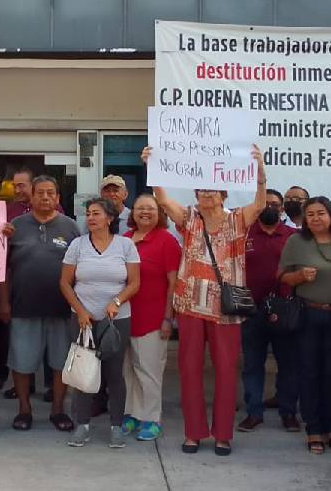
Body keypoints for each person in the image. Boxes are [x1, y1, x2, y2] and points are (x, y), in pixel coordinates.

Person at [145, 144, 267, 456]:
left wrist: (260, 171)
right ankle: (193, 433)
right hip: (189, 305)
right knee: (189, 369)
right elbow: (162, 200)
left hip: (225, 308)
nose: (206, 194)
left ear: (224, 195)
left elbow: (259, 203)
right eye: (201, 190)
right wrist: (152, 167)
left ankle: (223, 435)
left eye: (212, 190)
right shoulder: (189, 218)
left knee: (226, 370)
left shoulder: (237, 220)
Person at [0, 175, 80, 432]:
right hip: (23, 307)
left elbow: (81, 269)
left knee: (60, 362)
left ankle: (58, 410)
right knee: (21, 362)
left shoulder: (71, 227)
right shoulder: (14, 227)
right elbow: (1, 268)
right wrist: (3, 303)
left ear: (58, 197)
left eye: (50, 192)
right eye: (40, 192)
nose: (45, 197)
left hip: (61, 308)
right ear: (31, 197)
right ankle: (24, 410)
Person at [279, 196, 331, 455]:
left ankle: (330, 427)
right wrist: (299, 276)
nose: (315, 218)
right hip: (308, 315)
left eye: (320, 213)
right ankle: (313, 428)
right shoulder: (296, 241)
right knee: (309, 372)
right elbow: (282, 277)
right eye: (310, 214)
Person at [60, 198, 141, 448]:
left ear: (110, 218)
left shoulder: (126, 245)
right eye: (88, 214)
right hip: (83, 319)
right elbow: (65, 282)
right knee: (85, 371)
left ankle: (116, 426)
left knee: (114, 373)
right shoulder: (78, 245)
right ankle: (82, 425)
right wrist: (80, 311)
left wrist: (116, 301)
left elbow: (135, 283)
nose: (90, 218)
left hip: (116, 320)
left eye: (96, 213)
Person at [238, 189, 300, 434]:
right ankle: (254, 413)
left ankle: (288, 413)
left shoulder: (293, 236)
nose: (269, 207)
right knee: (252, 365)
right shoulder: (243, 234)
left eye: (274, 204)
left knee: (288, 365)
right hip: (251, 310)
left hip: (284, 311)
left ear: (282, 208)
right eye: (264, 203)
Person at [120, 193, 180, 442]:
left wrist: (168, 319)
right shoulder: (124, 240)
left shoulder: (167, 241)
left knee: (149, 371)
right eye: (140, 208)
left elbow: (173, 284)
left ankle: (151, 418)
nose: (145, 212)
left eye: (150, 209)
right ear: (132, 213)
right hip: (123, 317)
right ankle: (131, 414)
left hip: (153, 319)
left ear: (159, 214)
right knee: (127, 370)